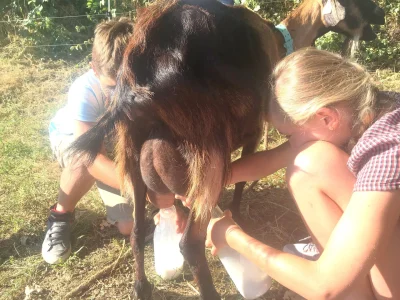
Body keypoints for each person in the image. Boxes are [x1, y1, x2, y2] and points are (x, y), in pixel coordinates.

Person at [206, 49, 400, 299]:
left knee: (309, 163)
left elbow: (325, 287)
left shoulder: (387, 154)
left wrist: (231, 236)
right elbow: (273, 159)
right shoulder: (369, 107)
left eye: (289, 135)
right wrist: (207, 180)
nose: (289, 143)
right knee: (312, 162)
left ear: (327, 118)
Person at [42, 18, 135, 264]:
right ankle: (60, 215)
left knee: (128, 226)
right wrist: (138, 187)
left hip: (113, 140)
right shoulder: (84, 90)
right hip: (72, 138)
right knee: (83, 160)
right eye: (113, 87)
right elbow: (91, 156)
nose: (121, 95)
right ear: (94, 69)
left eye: (128, 84)